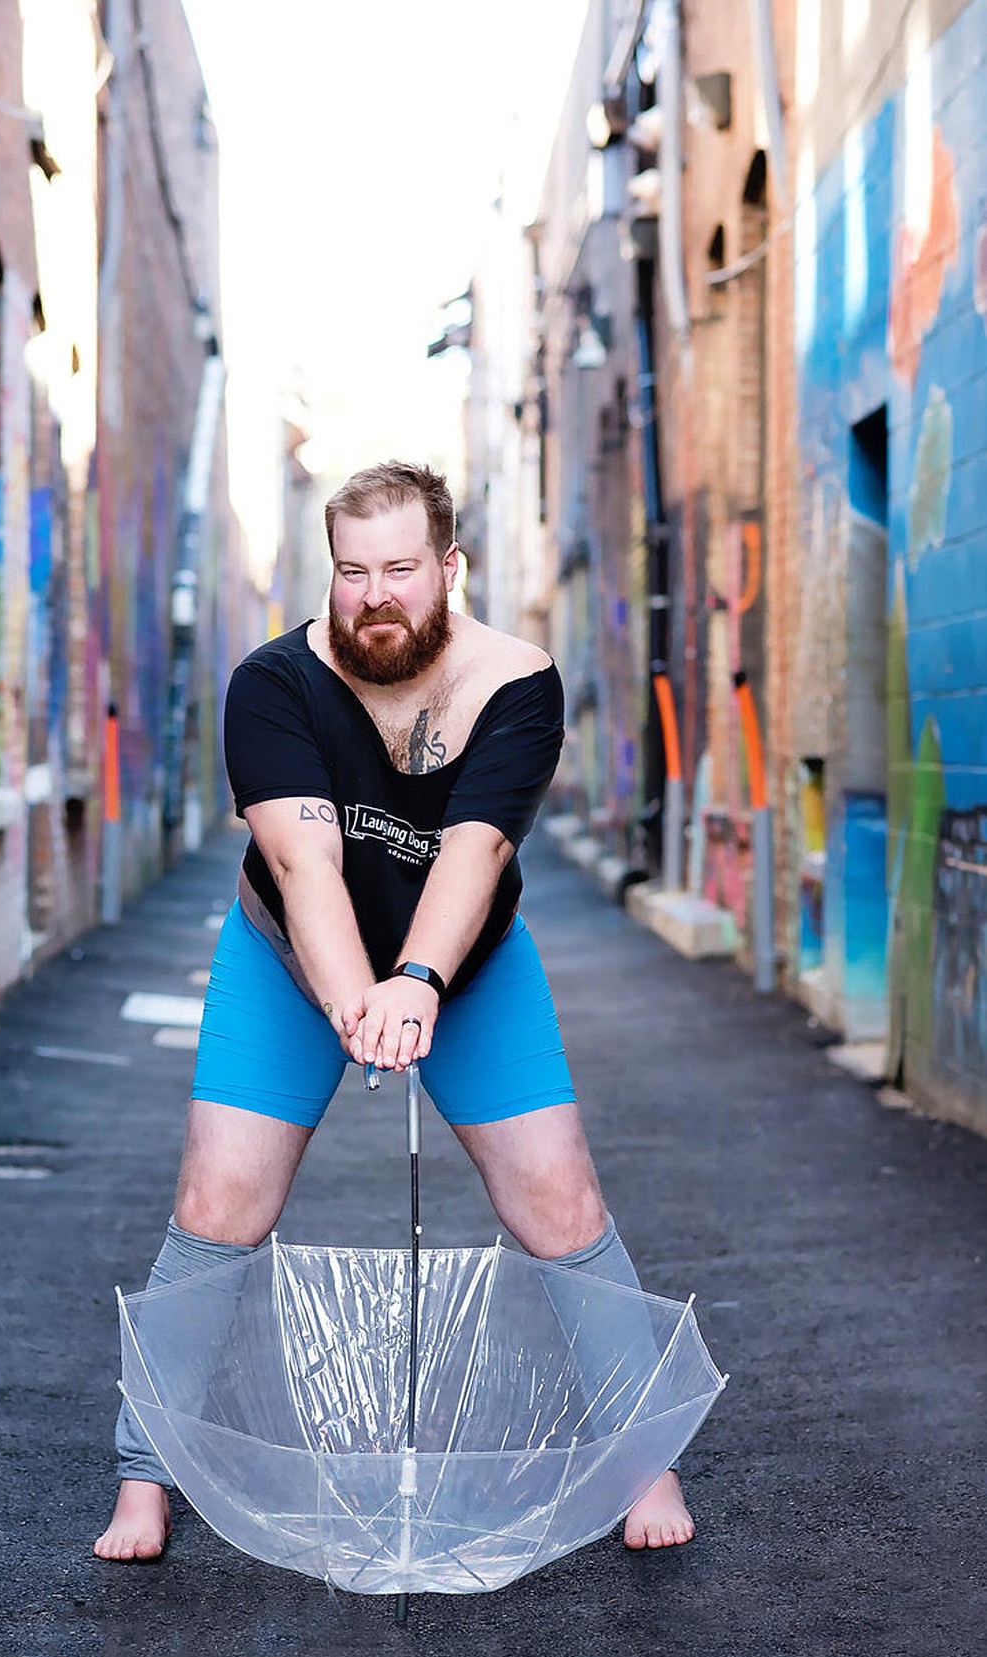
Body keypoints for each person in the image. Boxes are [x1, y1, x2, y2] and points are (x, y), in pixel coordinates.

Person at [94, 460, 693, 1562]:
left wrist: (415, 983)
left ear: (449, 567)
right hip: (288, 956)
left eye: (402, 570)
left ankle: (645, 1455)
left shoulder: (518, 683)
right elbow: (303, 860)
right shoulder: (271, 681)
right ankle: (145, 1476)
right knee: (217, 1200)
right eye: (353, 570)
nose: (375, 594)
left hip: (466, 967)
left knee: (560, 1199)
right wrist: (351, 997)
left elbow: (477, 849)